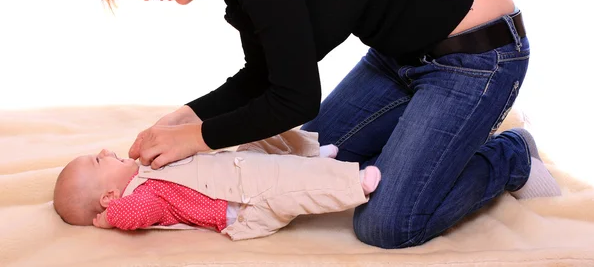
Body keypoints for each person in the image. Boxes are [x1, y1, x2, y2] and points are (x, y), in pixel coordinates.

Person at [90, 0, 560, 248]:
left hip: (477, 59)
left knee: (386, 225)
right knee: (312, 158)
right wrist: (184, 118)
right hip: (397, 59)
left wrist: (198, 138)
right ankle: (421, 152)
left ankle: (511, 154)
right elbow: (264, 76)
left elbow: (294, 100)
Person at [53, 129, 382, 240]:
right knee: (287, 186)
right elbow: (132, 215)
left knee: (258, 137)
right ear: (110, 197)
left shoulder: (145, 172)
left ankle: (310, 155)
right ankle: (351, 184)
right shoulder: (143, 196)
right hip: (244, 203)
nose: (106, 151)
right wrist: (110, 220)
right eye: (99, 161)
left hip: (235, 170)